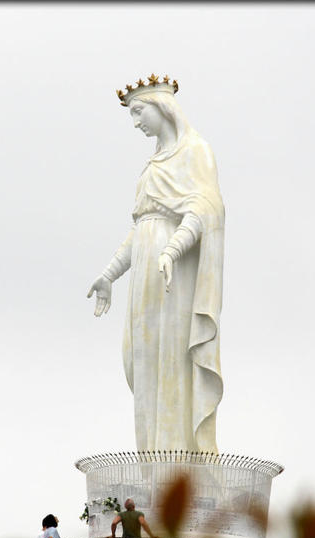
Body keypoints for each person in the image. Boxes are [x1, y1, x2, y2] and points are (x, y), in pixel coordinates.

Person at [87, 75, 224, 453]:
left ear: (161, 108)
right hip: (146, 266)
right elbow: (140, 225)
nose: (136, 123)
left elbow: (203, 210)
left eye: (138, 112)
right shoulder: (150, 166)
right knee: (144, 359)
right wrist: (109, 275)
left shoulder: (195, 151)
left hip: (171, 269)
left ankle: (178, 457)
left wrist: (173, 250)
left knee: (172, 352)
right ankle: (151, 458)